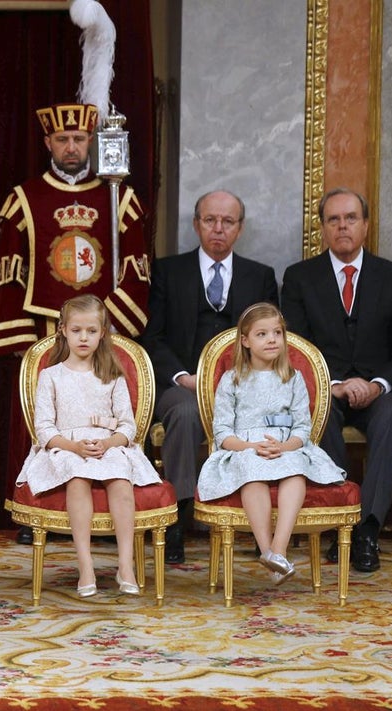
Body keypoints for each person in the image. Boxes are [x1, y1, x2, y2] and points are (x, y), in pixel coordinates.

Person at [0, 102, 150, 545]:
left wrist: (111, 326)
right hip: (44, 329)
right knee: (44, 419)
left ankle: (103, 513)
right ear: (48, 143)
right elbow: (10, 273)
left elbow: (136, 270)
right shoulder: (23, 198)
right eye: (61, 139)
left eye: (79, 139)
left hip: (104, 331)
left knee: (104, 421)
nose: (70, 147)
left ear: (92, 142)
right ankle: (34, 512)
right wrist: (25, 342)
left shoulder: (120, 198)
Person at [140, 190, 278, 563]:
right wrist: (185, 377)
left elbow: (271, 338)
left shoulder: (261, 276)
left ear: (240, 228)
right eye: (210, 220)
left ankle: (261, 527)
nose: (218, 228)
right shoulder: (168, 271)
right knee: (184, 414)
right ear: (196, 224)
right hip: (183, 385)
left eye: (227, 222)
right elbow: (152, 337)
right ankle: (177, 518)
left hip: (243, 387)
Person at [281, 188, 392, 573]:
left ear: (365, 225)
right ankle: (339, 520)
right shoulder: (299, 278)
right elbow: (293, 348)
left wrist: (377, 384)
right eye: (333, 219)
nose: (342, 226)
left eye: (350, 218)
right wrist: (331, 384)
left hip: (379, 392)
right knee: (319, 410)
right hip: (325, 387)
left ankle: (367, 530)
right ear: (323, 228)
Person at [15, 294, 161, 597]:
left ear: (102, 334)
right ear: (63, 331)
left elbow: (127, 426)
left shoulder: (112, 376)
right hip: (66, 448)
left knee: (121, 478)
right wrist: (73, 446)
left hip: (107, 446)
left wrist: (108, 442)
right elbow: (44, 428)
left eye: (91, 331)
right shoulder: (50, 376)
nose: (84, 337)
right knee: (76, 477)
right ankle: (86, 566)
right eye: (77, 330)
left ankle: (125, 565)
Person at [197, 303, 345, 584]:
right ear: (246, 341)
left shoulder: (292, 378)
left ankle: (278, 550)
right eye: (262, 334)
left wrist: (285, 447)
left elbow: (303, 428)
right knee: (252, 472)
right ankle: (267, 550)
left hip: (285, 447)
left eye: (277, 332)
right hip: (244, 448)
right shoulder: (232, 380)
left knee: (296, 470)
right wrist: (250, 447)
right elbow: (223, 434)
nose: (272, 339)